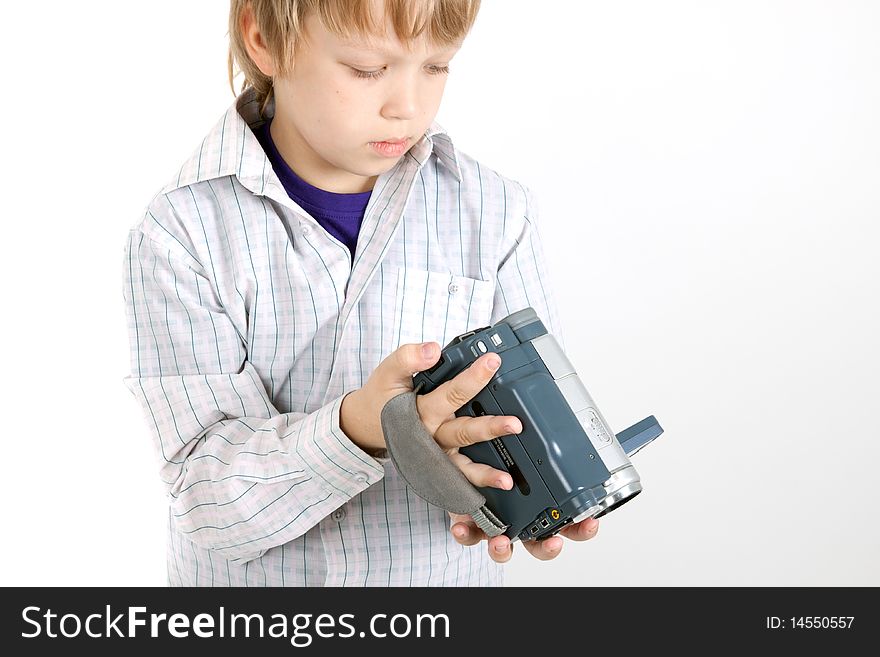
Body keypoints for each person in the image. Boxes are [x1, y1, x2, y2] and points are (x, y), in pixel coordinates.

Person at [122, 0, 599, 587]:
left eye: (436, 67)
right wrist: (359, 428)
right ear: (263, 40)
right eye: (367, 69)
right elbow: (207, 498)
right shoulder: (181, 234)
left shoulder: (496, 212)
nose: (407, 107)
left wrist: (532, 495)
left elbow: (532, 416)